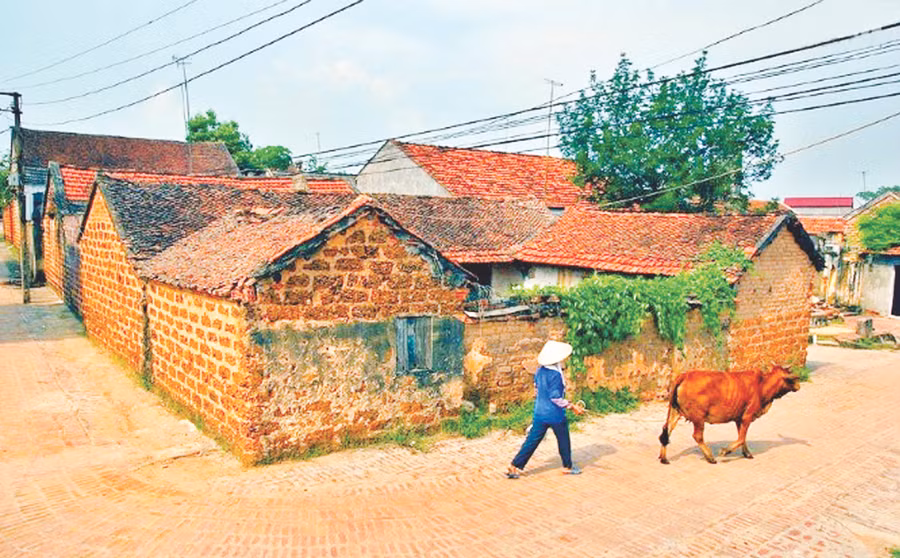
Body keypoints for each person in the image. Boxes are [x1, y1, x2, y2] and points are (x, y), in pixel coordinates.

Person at [506, 340, 583, 479]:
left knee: (532, 441)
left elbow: (537, 390)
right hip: (555, 415)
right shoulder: (556, 375)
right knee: (563, 440)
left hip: (540, 413)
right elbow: (556, 398)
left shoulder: (540, 371)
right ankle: (567, 466)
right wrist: (572, 406)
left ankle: (514, 466)